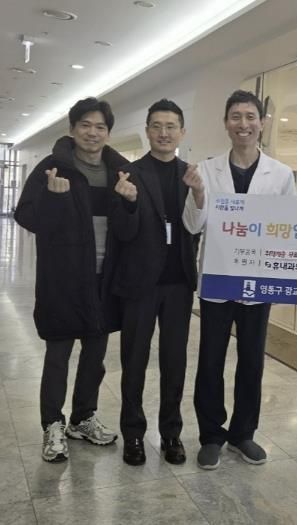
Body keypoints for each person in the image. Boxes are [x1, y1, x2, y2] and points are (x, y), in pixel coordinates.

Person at [182, 89, 296, 469]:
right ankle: (211, 434)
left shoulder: (281, 175)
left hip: (258, 282)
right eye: (236, 117)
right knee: (211, 360)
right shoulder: (206, 170)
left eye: (250, 117)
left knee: (252, 361)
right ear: (226, 123)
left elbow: (289, 228)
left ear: (262, 123)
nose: (243, 124)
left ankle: (243, 433)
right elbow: (192, 225)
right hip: (219, 280)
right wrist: (198, 194)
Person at [14, 97, 125, 462]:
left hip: (103, 281)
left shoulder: (119, 172)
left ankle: (82, 418)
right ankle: (52, 424)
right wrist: (53, 199)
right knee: (58, 355)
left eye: (100, 127)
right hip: (63, 280)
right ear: (73, 129)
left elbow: (129, 225)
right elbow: (25, 215)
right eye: (85, 125)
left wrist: (131, 201)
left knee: (95, 357)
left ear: (108, 133)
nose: (92, 133)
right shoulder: (52, 167)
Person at [110, 99, 201, 466]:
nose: (164, 133)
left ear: (182, 132)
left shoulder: (191, 175)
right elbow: (122, 233)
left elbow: (198, 226)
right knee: (134, 360)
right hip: (140, 284)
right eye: (157, 126)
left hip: (178, 283)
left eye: (171, 126)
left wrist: (199, 195)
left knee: (174, 362)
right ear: (147, 131)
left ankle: (171, 434)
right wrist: (128, 204)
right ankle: (133, 433)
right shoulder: (129, 174)